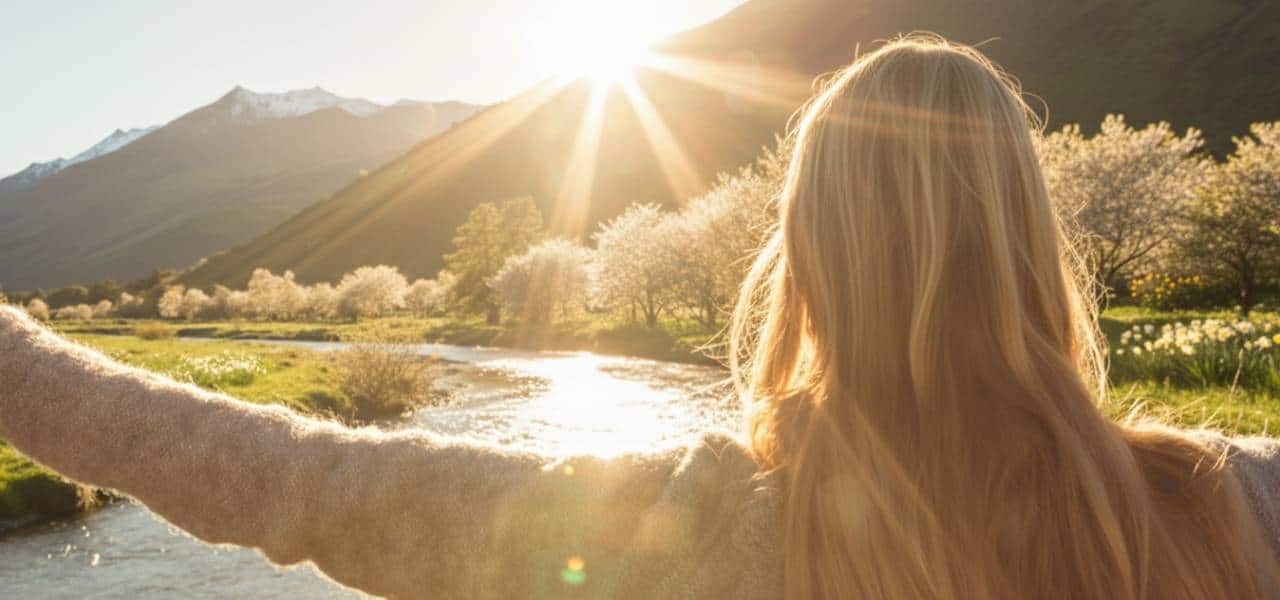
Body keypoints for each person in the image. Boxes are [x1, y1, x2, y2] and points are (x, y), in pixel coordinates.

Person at [1, 35, 1278, 600]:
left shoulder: (692, 532)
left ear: (807, 260)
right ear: (1030, 245)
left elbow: (293, 481)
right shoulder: (1236, 504)